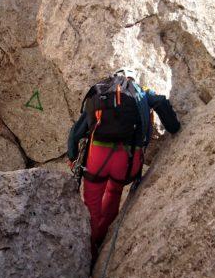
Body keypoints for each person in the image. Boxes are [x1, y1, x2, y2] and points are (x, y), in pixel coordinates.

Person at [67, 69, 180, 256]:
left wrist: (72, 157)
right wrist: (174, 127)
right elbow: (161, 101)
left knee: (91, 204)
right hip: (126, 159)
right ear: (132, 79)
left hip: (97, 156)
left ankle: (90, 248)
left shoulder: (100, 93)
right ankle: (103, 235)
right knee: (113, 192)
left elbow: (76, 132)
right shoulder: (141, 93)